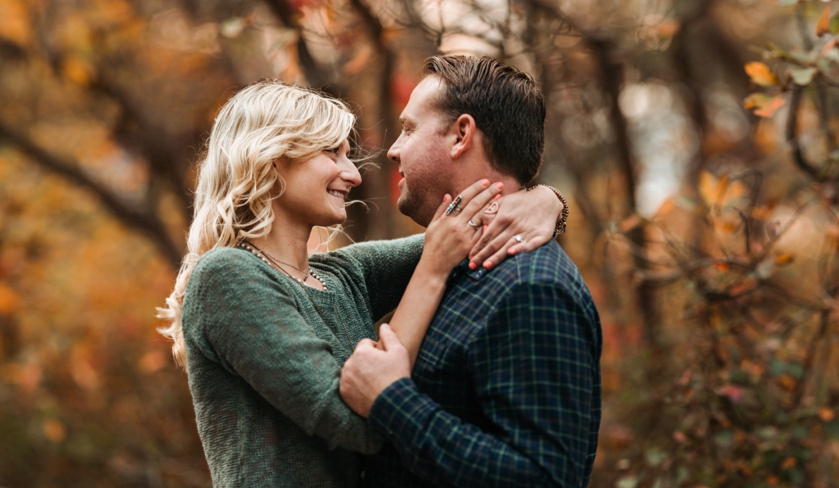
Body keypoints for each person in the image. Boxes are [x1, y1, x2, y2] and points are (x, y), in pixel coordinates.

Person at [157, 79, 564, 487]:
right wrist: (433, 270)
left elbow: (469, 225)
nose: (352, 175)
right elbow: (359, 416)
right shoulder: (226, 277)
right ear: (273, 158)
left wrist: (548, 200)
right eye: (332, 152)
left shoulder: (341, 275)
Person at [339, 56, 602, 488]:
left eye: (408, 129)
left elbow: (547, 479)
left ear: (462, 134)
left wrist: (392, 402)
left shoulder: (532, 287)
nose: (393, 149)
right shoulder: (449, 263)